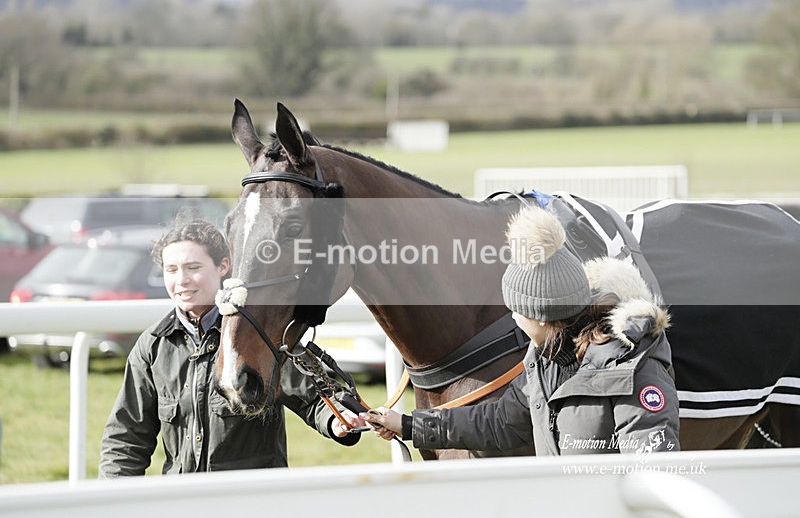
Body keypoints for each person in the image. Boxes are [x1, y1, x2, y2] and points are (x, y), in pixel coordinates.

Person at [362, 206, 679, 456]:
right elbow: (499, 422)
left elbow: (656, 474)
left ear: (540, 318)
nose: (513, 317)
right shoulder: (544, 360)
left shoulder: (633, 369)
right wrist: (408, 425)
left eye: (517, 310)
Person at [99, 219, 361, 477]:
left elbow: (316, 399)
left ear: (224, 266)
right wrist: (114, 499)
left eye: (193, 267)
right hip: (181, 502)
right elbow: (126, 438)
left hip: (250, 501)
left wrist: (336, 420)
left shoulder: (258, 333)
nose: (182, 280)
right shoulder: (152, 345)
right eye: (171, 270)